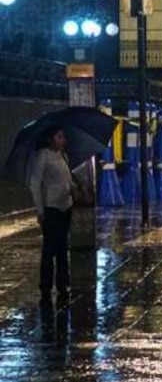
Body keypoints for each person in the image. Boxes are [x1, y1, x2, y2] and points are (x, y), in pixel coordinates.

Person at [29, 125, 75, 307]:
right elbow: (35, 183)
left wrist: (73, 190)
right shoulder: (43, 156)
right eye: (59, 136)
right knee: (50, 248)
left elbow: (68, 180)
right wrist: (40, 210)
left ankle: (63, 283)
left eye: (63, 136)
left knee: (63, 247)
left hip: (66, 206)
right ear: (50, 139)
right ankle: (46, 285)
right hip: (51, 207)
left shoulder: (64, 156)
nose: (63, 140)